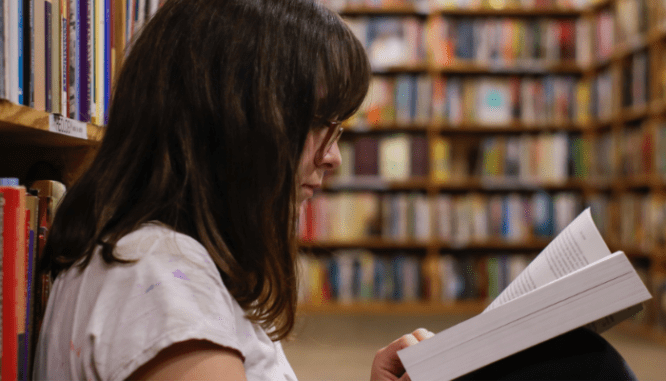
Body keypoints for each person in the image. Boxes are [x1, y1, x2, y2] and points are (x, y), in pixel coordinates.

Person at [32, 0, 433, 380]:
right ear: (235, 120)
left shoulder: (156, 260)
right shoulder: (161, 281)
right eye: (315, 123)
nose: (333, 159)